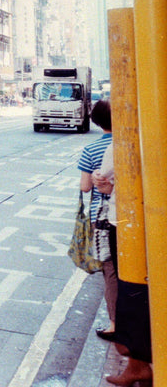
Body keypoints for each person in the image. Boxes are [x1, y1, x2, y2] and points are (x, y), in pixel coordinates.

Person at [93, 147, 154, 386]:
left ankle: (136, 361)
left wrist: (101, 178)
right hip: (141, 216)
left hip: (130, 222)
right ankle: (137, 365)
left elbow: (104, 175)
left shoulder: (127, 136)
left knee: (133, 291)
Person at [77, 99, 116, 340]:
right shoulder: (132, 142)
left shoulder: (91, 150)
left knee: (110, 269)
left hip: (102, 217)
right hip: (131, 213)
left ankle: (115, 323)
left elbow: (84, 187)